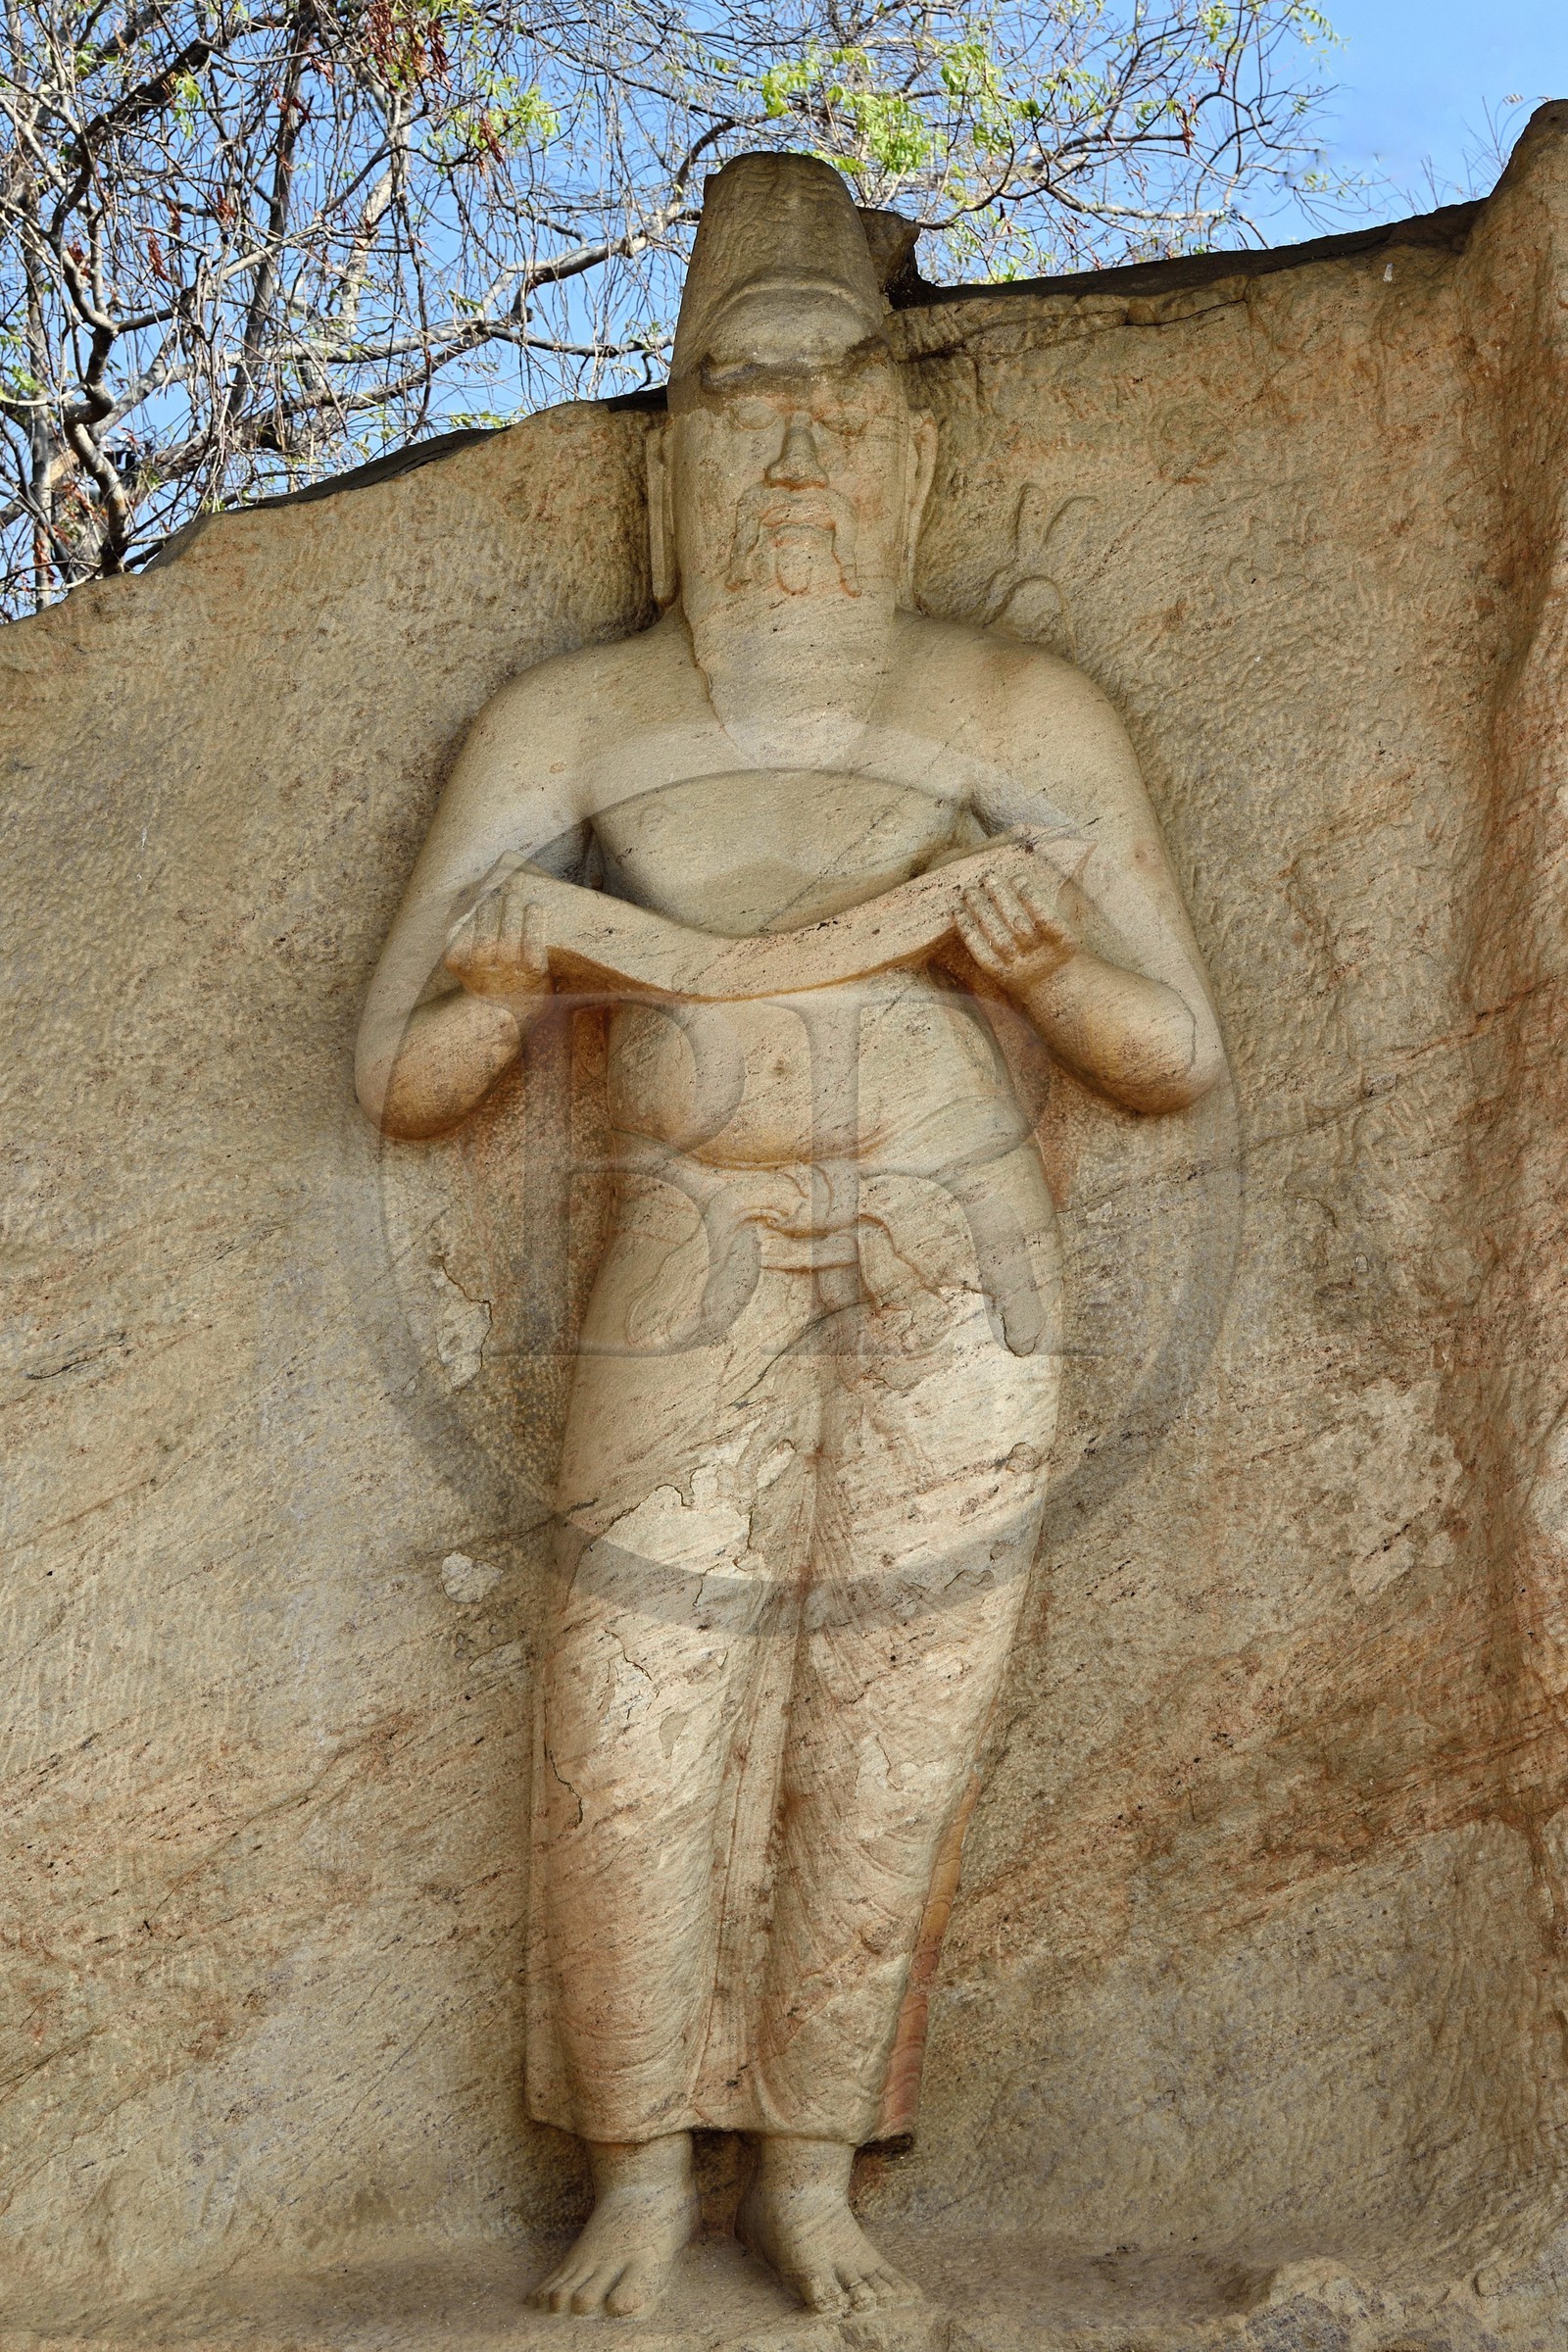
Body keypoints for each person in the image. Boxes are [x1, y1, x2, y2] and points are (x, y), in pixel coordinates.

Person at [357, 150, 1222, 2323]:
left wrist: (1029, 973)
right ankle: (639, 2170)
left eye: (845, 386)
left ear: (913, 446)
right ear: (673, 457)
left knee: (889, 1721)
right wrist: (499, 975)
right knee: (629, 1707)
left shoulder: (1013, 714)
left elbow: (1169, 1047)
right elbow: (396, 1079)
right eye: (748, 394)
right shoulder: (573, 724)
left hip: (958, 1276)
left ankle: (819, 2170)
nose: (803, 435)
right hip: (689, 1253)